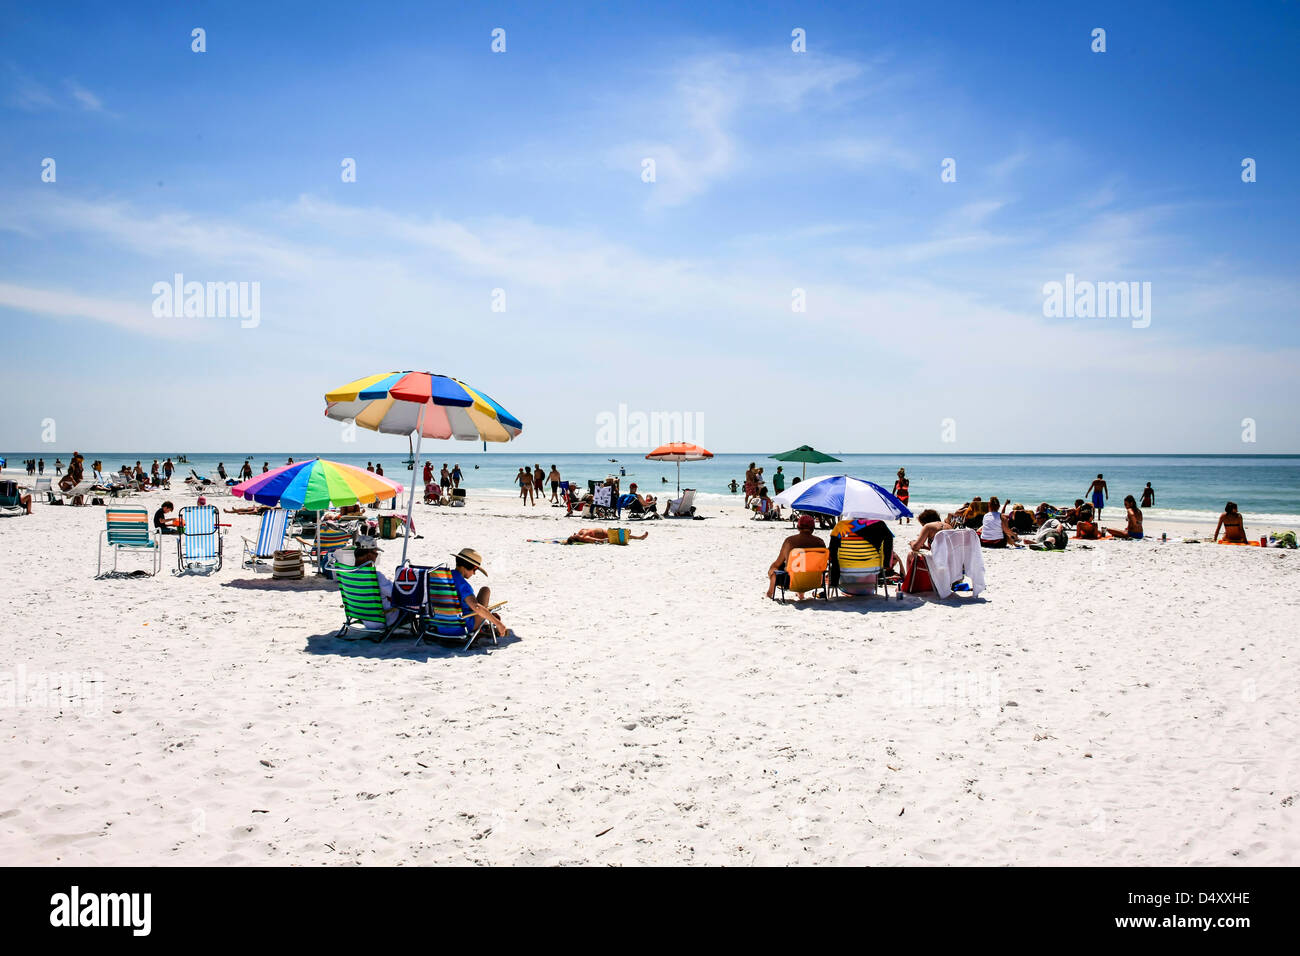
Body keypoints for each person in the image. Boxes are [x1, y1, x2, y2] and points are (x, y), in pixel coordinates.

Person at [450, 548, 507, 638]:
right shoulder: (463, 585)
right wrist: (498, 623)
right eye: (475, 569)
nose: (474, 573)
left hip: (439, 624)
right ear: (467, 566)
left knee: (482, 592)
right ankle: (485, 621)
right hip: (461, 627)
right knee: (485, 591)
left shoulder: (442, 578)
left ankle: (486, 618)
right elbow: (476, 607)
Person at [767, 514, 827, 600]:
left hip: (792, 583)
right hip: (815, 582)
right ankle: (801, 594)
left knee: (776, 567)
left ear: (798, 527)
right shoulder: (820, 542)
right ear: (813, 528)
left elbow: (778, 563)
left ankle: (770, 593)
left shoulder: (790, 541)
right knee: (805, 567)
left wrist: (771, 571)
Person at [565, 528, 649, 544]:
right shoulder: (584, 538)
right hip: (605, 534)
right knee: (623, 534)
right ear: (575, 538)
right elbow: (596, 540)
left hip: (605, 531)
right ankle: (640, 537)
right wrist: (608, 540)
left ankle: (639, 537)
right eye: (573, 535)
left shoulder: (580, 533)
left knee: (624, 533)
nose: (574, 534)